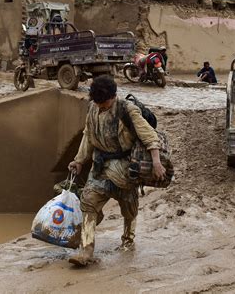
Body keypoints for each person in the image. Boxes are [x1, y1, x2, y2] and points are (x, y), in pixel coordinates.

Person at [68, 75, 166, 266]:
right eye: (98, 104)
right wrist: (79, 160)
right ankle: (86, 250)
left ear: (113, 96)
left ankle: (128, 241)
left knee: (129, 209)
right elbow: (88, 135)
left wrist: (156, 162)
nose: (101, 107)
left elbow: (149, 136)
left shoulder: (127, 110)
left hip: (125, 170)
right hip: (100, 168)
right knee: (88, 202)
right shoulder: (93, 108)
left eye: (104, 104)